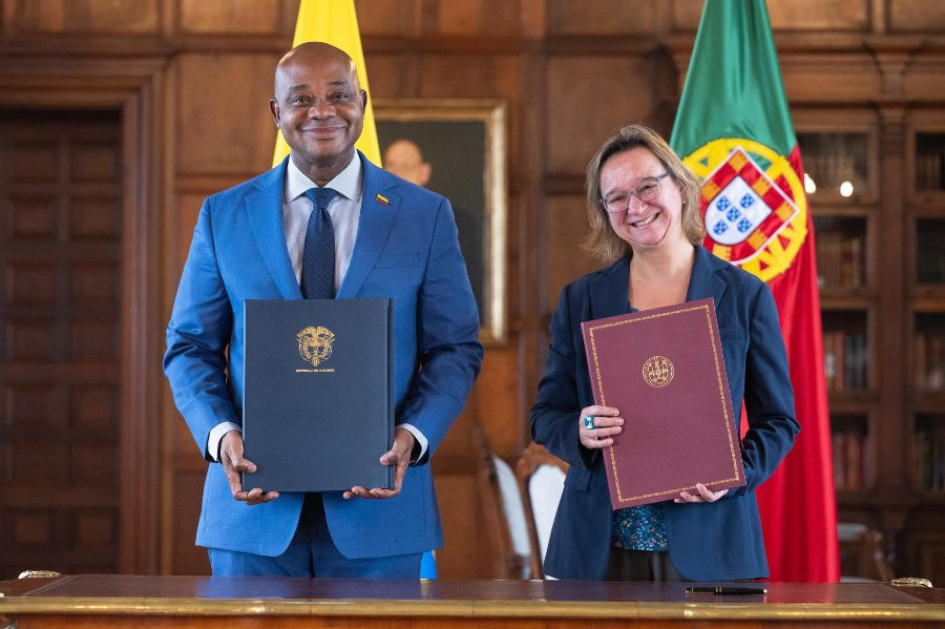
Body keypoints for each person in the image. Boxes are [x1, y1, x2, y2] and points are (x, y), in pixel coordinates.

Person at [164, 42, 483, 578]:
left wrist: (414, 434)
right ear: (276, 112)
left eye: (338, 95)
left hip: (381, 512)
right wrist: (220, 435)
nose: (322, 111)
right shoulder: (224, 215)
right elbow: (188, 346)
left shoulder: (424, 215)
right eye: (301, 98)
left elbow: (455, 347)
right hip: (253, 514)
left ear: (362, 103)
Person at [530, 124, 799, 582]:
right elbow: (546, 415)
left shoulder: (744, 295)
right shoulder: (581, 299)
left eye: (647, 187)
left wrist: (734, 474)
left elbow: (778, 421)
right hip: (599, 550)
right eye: (616, 198)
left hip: (711, 545)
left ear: (681, 187)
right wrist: (581, 429)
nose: (635, 207)